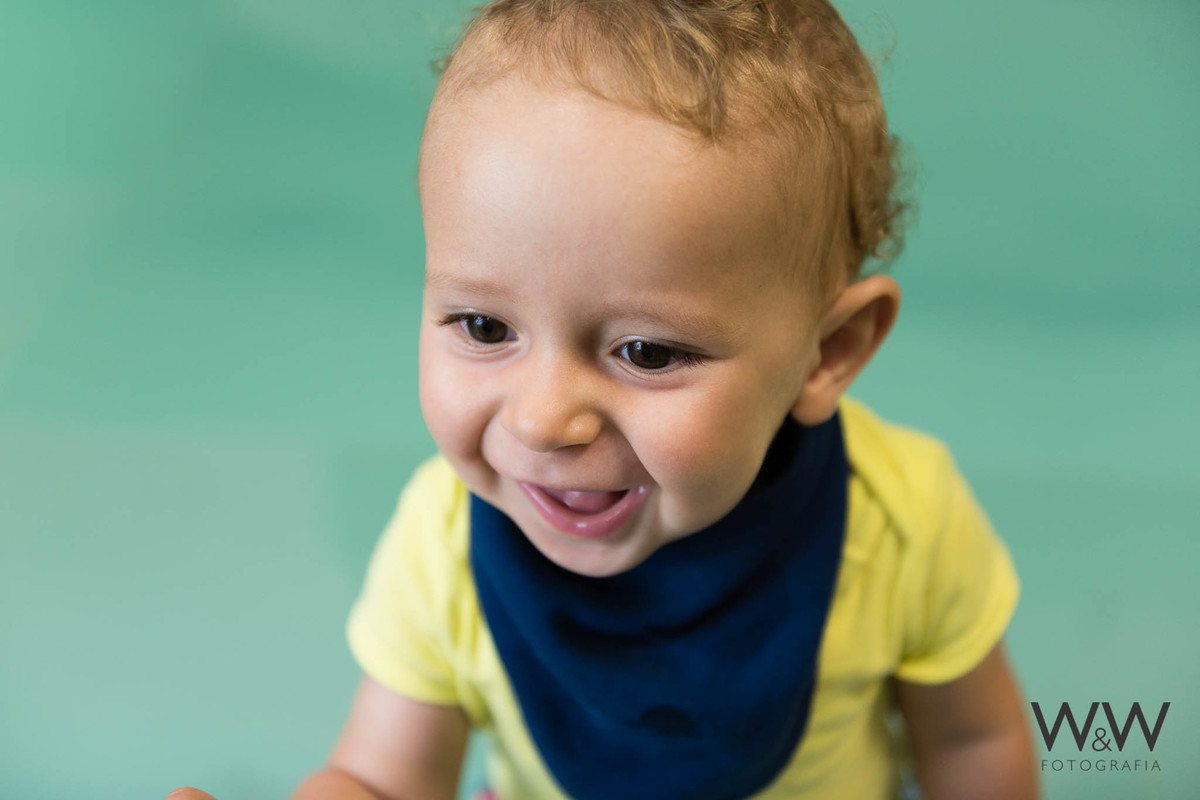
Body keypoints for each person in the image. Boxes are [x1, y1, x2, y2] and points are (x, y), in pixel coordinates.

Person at [169, 1, 1039, 798]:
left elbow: (972, 744)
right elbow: (383, 778)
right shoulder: (444, 543)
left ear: (829, 353)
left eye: (646, 351)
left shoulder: (902, 520)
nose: (544, 419)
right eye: (482, 325)